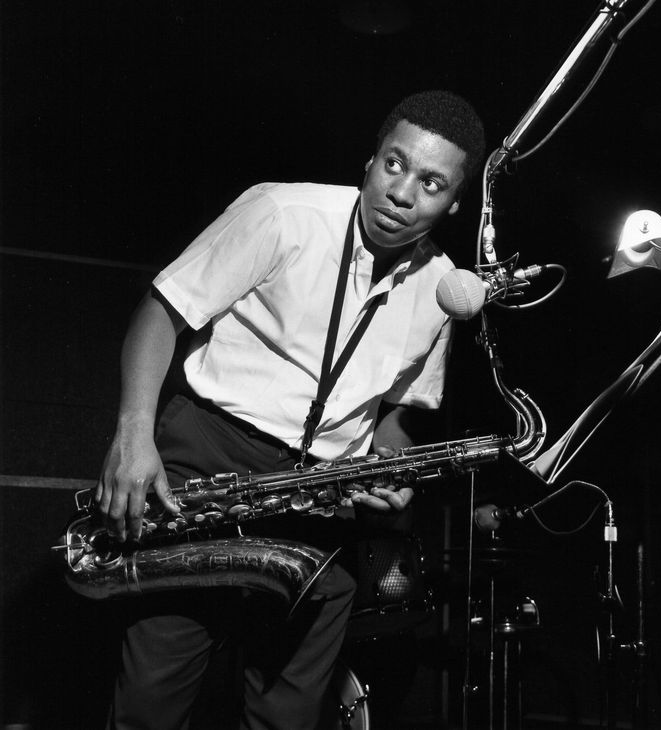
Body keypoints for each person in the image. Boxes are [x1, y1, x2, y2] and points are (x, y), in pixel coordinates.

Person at [95, 89, 486, 730]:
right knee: (150, 705)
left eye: (431, 183)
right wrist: (133, 437)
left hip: (317, 500)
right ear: (369, 161)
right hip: (207, 465)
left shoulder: (443, 291)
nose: (402, 193)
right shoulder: (281, 212)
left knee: (291, 717)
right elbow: (160, 313)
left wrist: (389, 467)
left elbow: (400, 413)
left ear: (452, 202)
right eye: (394, 164)